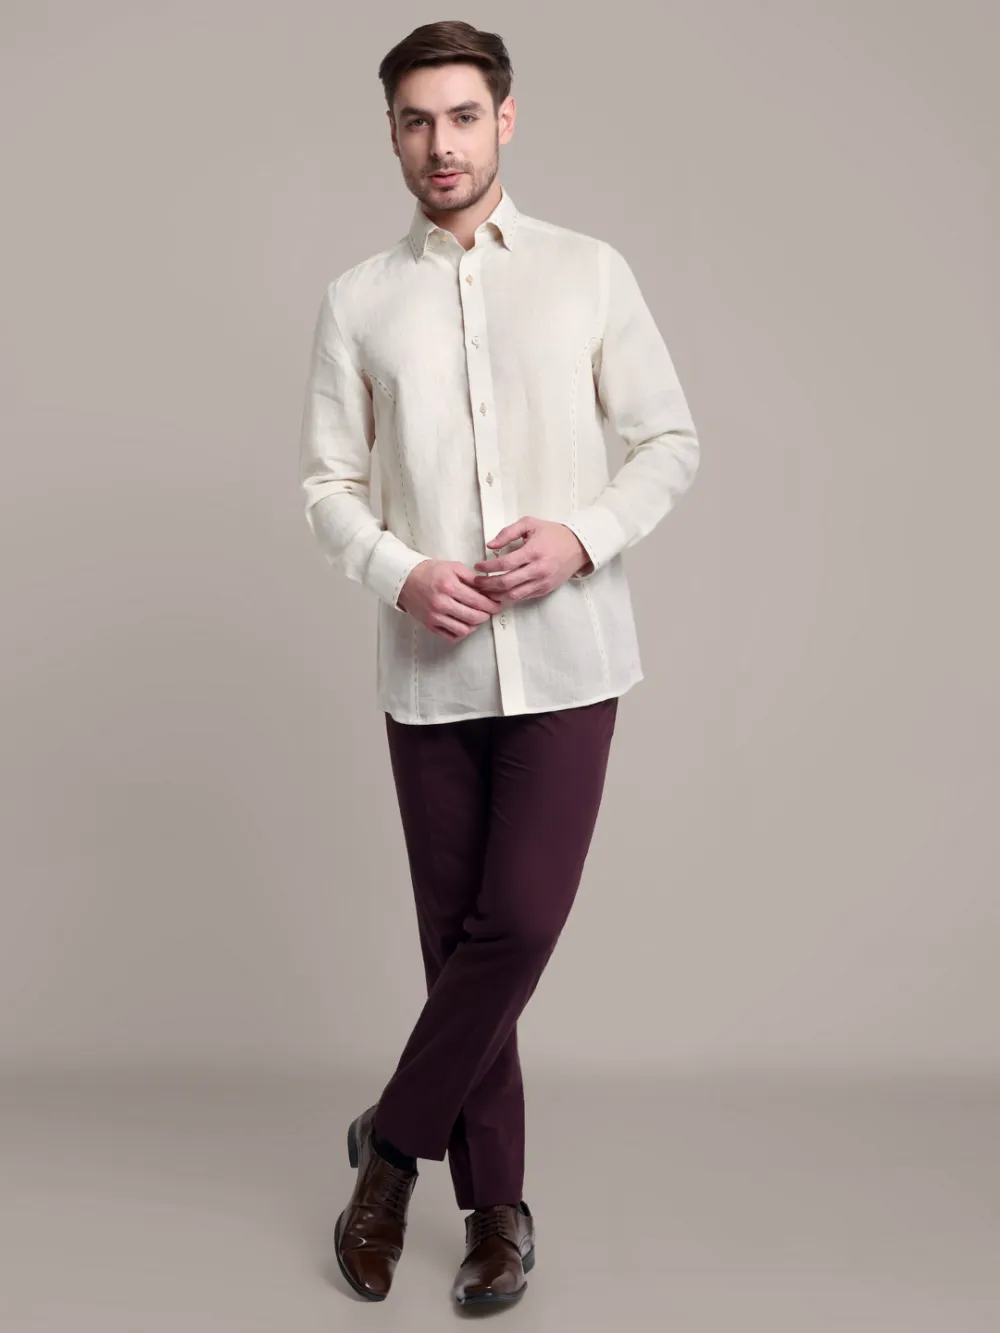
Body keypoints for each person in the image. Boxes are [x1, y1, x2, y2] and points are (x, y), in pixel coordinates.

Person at [298, 19, 700, 1311]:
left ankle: (389, 1149)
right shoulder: (359, 300)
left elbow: (668, 442)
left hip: (571, 661)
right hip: (429, 670)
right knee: (455, 943)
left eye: (463, 116)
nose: (442, 144)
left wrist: (582, 536)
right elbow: (327, 485)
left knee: (514, 924)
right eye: (417, 120)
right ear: (391, 134)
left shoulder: (588, 272)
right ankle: (497, 1213)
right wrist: (400, 571)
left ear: (505, 121)